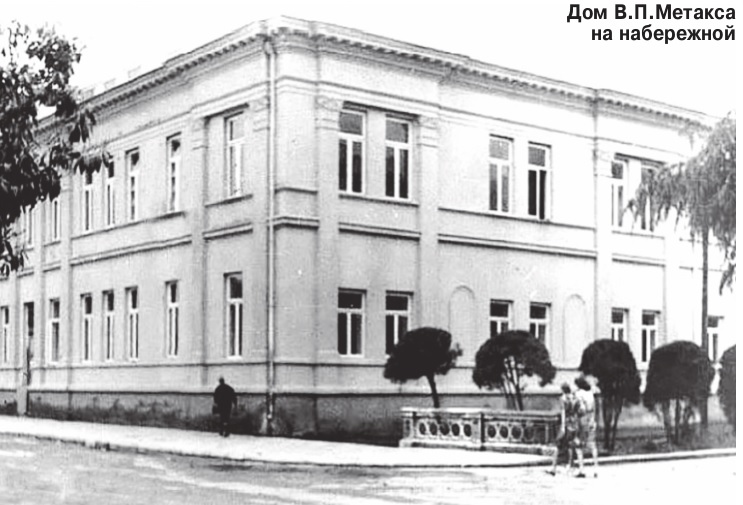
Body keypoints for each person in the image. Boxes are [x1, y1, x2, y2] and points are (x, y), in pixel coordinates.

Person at [548, 382, 579, 475]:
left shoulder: (563, 399)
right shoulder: (574, 398)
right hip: (573, 424)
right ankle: (570, 465)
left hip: (566, 424)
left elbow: (563, 412)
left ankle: (553, 467)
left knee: (558, 446)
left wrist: (562, 426)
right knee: (570, 446)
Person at [574, 375, 598, 478]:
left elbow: (579, 409)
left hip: (582, 420)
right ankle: (596, 469)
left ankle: (581, 469)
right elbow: (594, 409)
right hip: (591, 419)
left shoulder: (578, 394)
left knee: (579, 446)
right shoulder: (591, 394)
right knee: (592, 445)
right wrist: (593, 420)